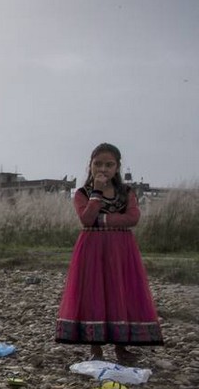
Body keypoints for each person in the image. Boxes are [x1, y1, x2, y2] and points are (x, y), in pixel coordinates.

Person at [55, 143, 163, 364]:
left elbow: (132, 218)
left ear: (117, 167)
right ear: (90, 165)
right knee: (94, 292)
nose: (103, 169)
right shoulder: (83, 194)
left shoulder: (126, 193)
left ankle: (121, 347)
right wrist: (96, 193)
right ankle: (96, 348)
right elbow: (86, 219)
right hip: (93, 250)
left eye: (109, 164)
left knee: (120, 292)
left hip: (122, 250)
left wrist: (101, 220)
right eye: (98, 164)